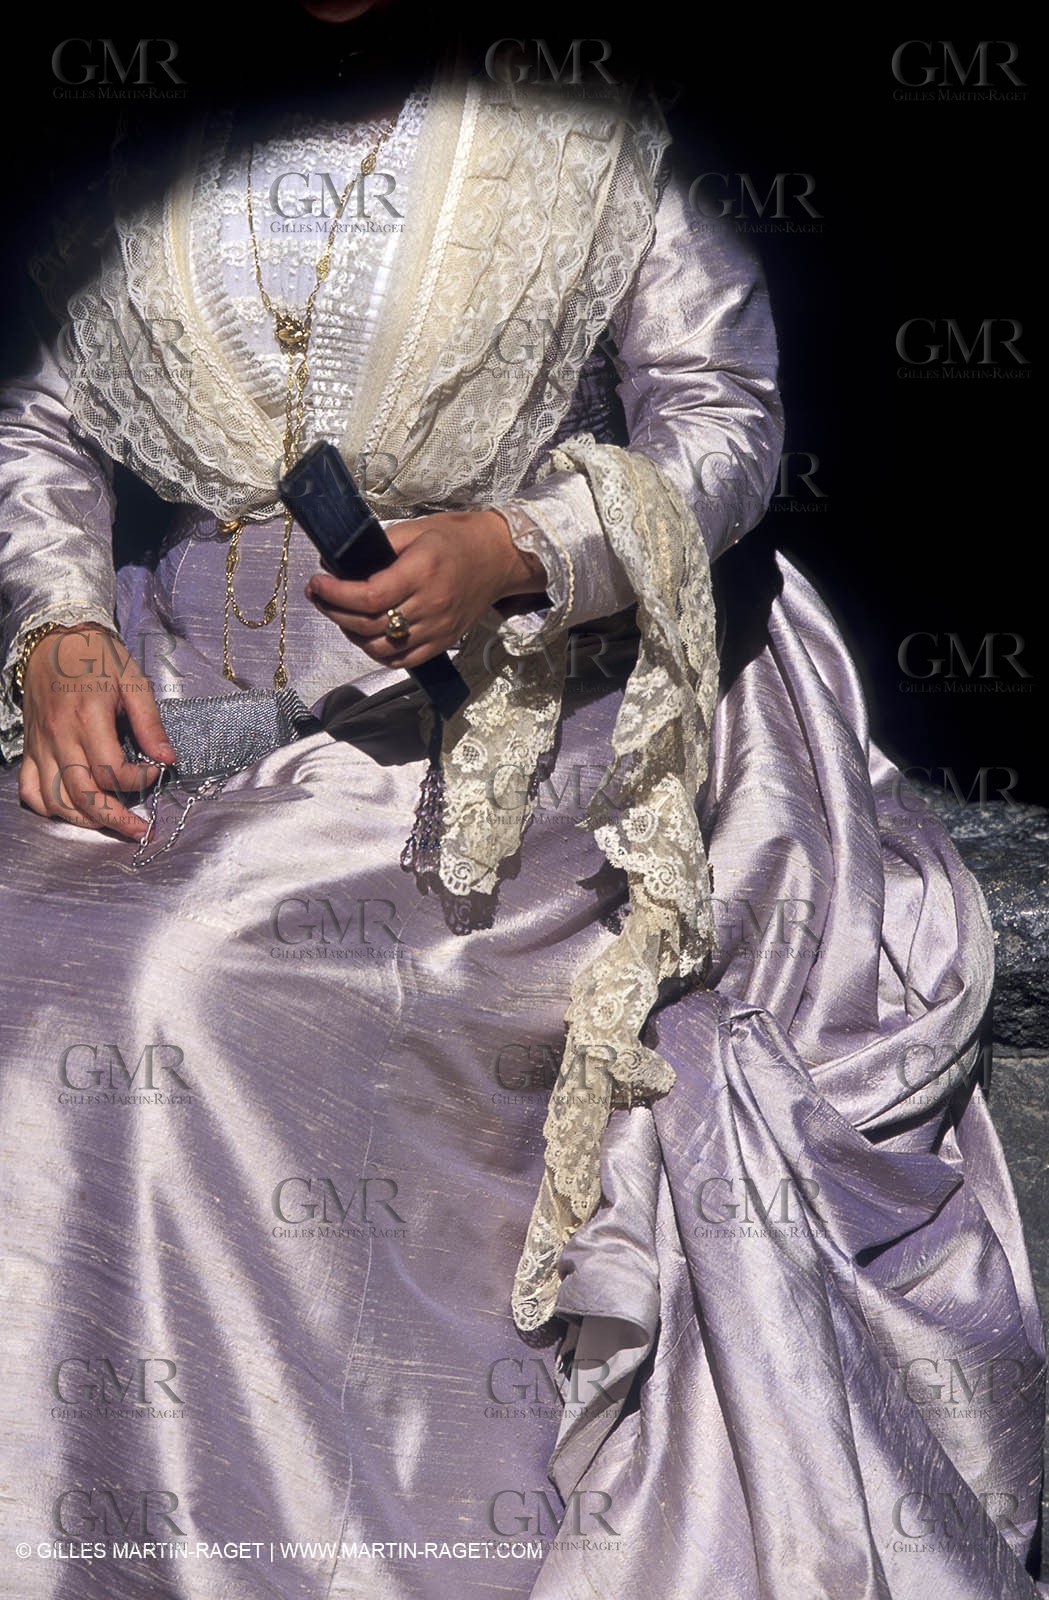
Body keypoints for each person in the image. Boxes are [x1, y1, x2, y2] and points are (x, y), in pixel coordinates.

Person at [0, 16, 1044, 1600]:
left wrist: (514, 545)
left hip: (507, 718)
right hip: (172, 690)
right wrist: (57, 626)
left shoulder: (592, 128)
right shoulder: (148, 137)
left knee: (174, 982)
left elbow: (723, 421)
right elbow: (40, 413)